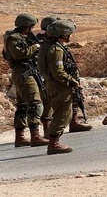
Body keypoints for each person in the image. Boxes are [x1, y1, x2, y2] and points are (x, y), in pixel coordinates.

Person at [3, 13, 49, 147]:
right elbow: (19, 54)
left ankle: (20, 137)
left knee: (22, 105)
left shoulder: (22, 37)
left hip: (26, 72)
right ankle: (35, 135)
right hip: (23, 74)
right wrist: (35, 47)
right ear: (26, 26)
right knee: (35, 103)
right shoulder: (13, 38)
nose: (32, 29)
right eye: (31, 26)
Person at [37, 19, 80, 154]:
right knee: (62, 114)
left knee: (63, 113)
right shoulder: (56, 50)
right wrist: (72, 81)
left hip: (54, 84)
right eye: (68, 34)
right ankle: (53, 143)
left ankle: (54, 141)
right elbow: (58, 72)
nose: (70, 36)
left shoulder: (50, 46)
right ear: (61, 34)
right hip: (59, 86)